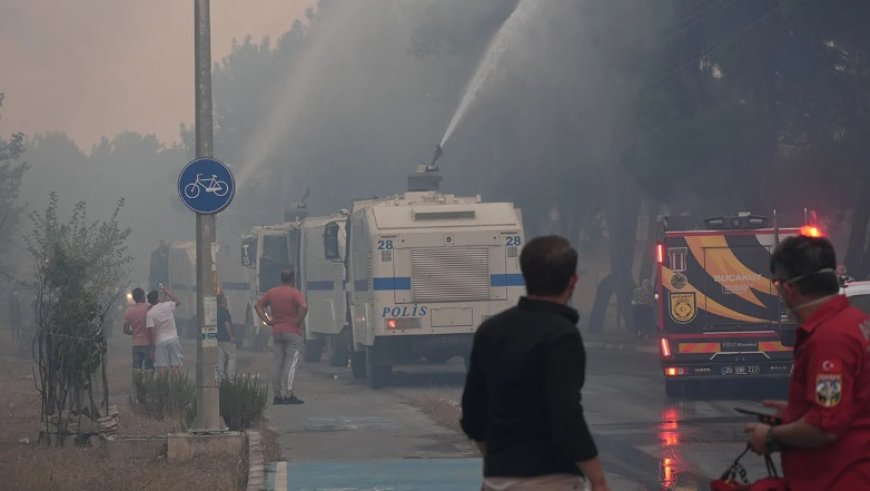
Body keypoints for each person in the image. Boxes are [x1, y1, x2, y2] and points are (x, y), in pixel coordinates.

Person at [461, 235, 610, 491]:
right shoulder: (561, 336)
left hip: (496, 480)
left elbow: (473, 413)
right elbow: (566, 413)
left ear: (525, 275)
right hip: (551, 479)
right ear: (573, 280)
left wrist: (498, 460)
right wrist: (597, 478)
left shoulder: (490, 331)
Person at [744, 235, 870, 490]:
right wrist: (797, 410)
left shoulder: (830, 340)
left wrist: (769, 435)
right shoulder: (853, 322)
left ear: (788, 290)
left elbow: (825, 425)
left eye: (777, 284)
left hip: (838, 479)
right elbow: (844, 400)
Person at [256, 269, 308, 405]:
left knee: (277, 364)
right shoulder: (295, 293)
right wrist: (299, 320)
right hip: (292, 332)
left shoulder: (272, 292)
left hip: (276, 332)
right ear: (293, 279)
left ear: (281, 278)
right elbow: (304, 306)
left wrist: (267, 320)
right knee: (291, 364)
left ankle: (277, 395)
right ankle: (289, 394)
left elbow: (258, 305)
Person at [145, 287, 184, 374]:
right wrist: (168, 293)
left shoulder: (150, 314)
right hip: (173, 339)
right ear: (157, 298)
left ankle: (163, 386)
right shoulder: (167, 305)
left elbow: (152, 333)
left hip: (160, 342)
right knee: (176, 367)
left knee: (162, 368)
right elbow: (178, 301)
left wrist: (152, 349)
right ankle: (177, 385)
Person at [123, 288, 153, 371]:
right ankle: (149, 384)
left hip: (136, 344)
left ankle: (138, 383)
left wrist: (135, 333)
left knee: (137, 370)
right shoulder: (149, 308)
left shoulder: (129, 311)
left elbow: (125, 330)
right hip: (148, 344)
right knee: (149, 370)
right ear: (143, 296)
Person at [215, 293, 237, 382]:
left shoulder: (216, 311)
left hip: (218, 339)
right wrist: (231, 336)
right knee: (232, 356)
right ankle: (231, 378)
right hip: (226, 339)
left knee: (220, 358)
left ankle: (220, 377)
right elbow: (227, 324)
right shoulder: (224, 311)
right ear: (223, 301)